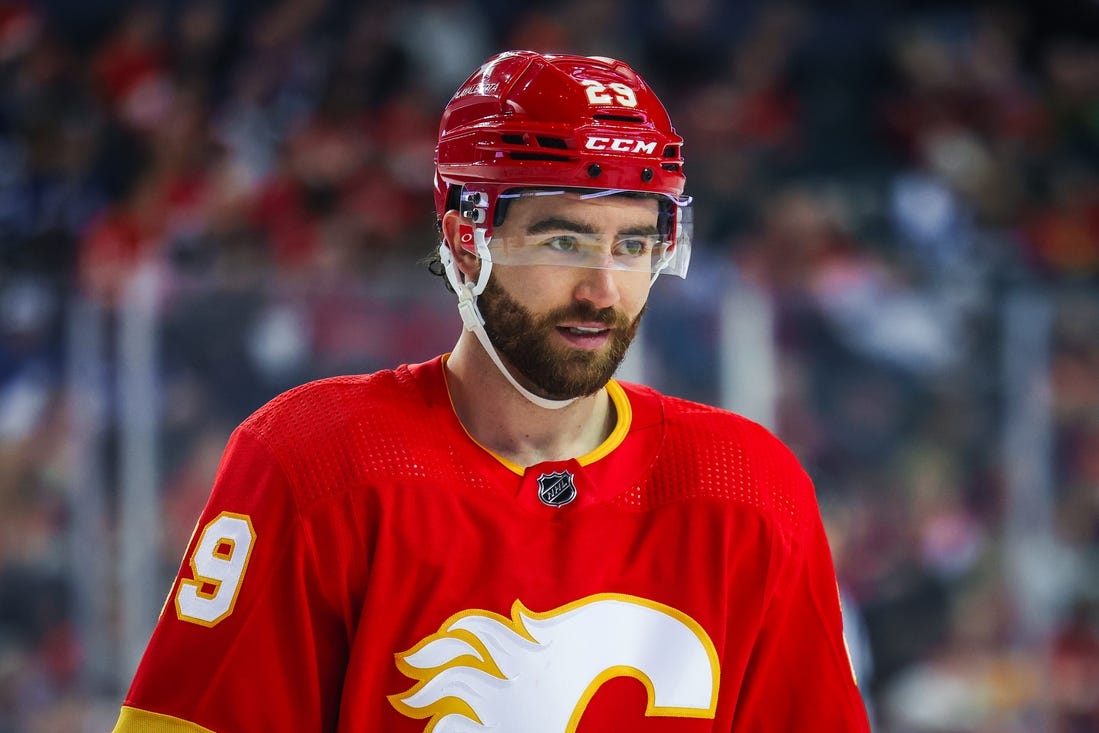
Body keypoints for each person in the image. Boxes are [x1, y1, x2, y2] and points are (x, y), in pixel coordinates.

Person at [111, 50, 871, 732]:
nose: (603, 289)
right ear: (464, 237)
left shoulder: (749, 488)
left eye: (633, 244)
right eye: (562, 240)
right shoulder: (313, 459)